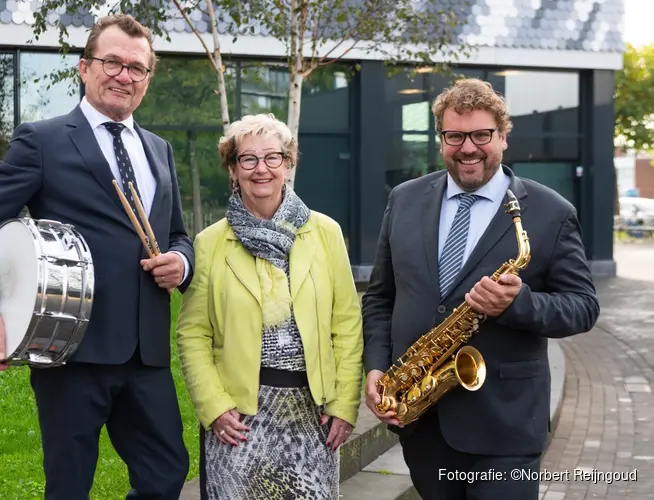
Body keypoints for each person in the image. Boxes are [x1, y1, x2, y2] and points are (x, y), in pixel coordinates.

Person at [0, 14, 193, 500]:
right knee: (69, 487)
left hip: (146, 354)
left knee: (166, 475)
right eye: (113, 62)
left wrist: (181, 263)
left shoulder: (160, 150)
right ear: (85, 68)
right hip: (69, 348)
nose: (125, 75)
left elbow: (180, 236)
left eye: (137, 68)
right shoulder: (43, 140)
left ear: (148, 79)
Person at [361, 78, 600, 500]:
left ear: (503, 137)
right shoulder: (404, 198)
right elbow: (381, 296)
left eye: (481, 135)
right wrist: (377, 366)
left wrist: (519, 303)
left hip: (506, 426)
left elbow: (583, 306)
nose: (467, 148)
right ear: (441, 139)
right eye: (455, 136)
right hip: (423, 420)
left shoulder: (551, 212)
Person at [176, 113, 363, 499]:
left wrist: (345, 404)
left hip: (314, 416)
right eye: (248, 159)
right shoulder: (210, 243)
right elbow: (193, 332)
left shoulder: (325, 233)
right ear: (233, 168)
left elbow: (346, 324)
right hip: (238, 418)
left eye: (272, 157)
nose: (261, 169)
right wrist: (213, 406)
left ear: (288, 163)